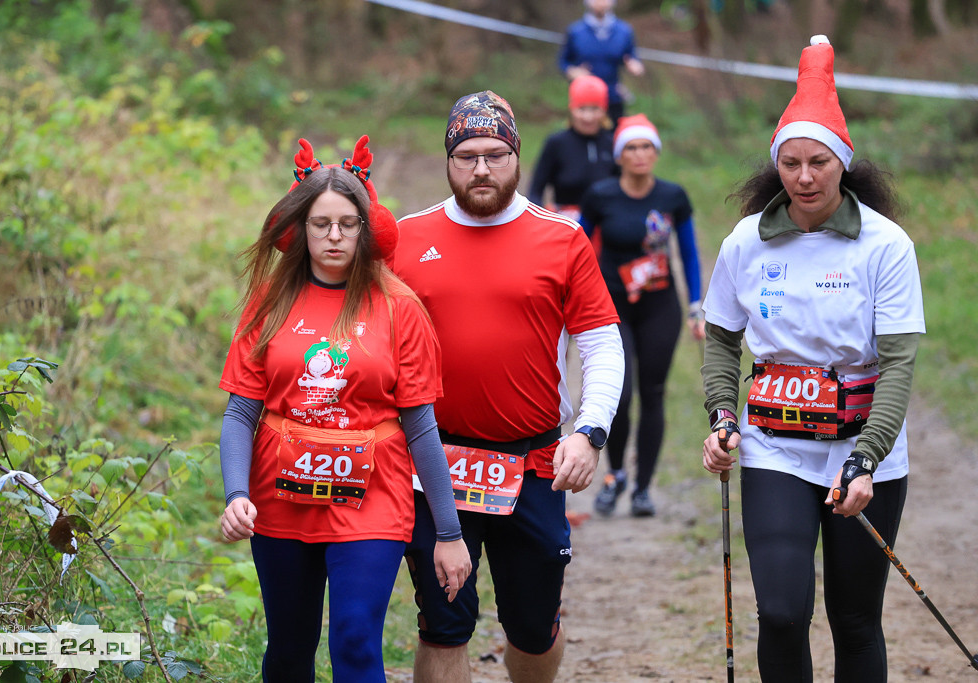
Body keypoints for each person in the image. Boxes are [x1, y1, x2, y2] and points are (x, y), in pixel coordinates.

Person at [700, 36, 925, 681]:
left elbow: (899, 362)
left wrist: (866, 458)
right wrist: (721, 417)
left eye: (818, 163)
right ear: (778, 165)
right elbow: (721, 339)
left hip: (864, 452)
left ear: (842, 165)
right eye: (792, 162)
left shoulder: (886, 246)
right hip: (774, 446)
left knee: (854, 618)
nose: (804, 177)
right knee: (779, 610)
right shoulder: (747, 240)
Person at [216, 136, 471, 683]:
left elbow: (421, 426)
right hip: (280, 497)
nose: (334, 236)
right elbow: (241, 412)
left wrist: (449, 534)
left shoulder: (400, 308)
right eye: (320, 223)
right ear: (299, 230)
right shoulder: (269, 304)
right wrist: (237, 493)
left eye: (347, 224)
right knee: (288, 649)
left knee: (355, 640)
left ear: (366, 229)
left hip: (373, 497)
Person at [393, 91, 624, 683]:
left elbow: (600, 343)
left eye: (494, 154)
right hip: (434, 456)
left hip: (533, 458)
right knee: (442, 622)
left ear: (517, 156)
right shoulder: (407, 237)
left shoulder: (562, 239)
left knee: (531, 622)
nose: (480, 169)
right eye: (466, 155)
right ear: (447, 161)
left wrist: (590, 431)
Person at [580, 113, 706, 518]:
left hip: (659, 307)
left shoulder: (673, 197)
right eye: (631, 147)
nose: (639, 154)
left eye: (646, 146)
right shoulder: (600, 196)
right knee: (621, 394)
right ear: (619, 154)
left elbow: (687, 252)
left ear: (656, 152)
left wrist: (695, 305)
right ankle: (615, 474)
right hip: (611, 308)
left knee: (652, 394)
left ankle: (643, 488)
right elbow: (577, 249)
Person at [527, 74, 616, 222]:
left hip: (605, 225)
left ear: (604, 110)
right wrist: (541, 221)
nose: (588, 117)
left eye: (595, 109)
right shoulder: (556, 143)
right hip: (565, 224)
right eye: (581, 109)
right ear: (571, 109)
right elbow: (535, 191)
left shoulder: (613, 144)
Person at [559, 0, 645, 126]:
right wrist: (573, 71)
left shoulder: (624, 31)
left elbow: (632, 57)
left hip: (612, 98)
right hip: (584, 99)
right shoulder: (576, 31)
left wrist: (635, 66)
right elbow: (563, 61)